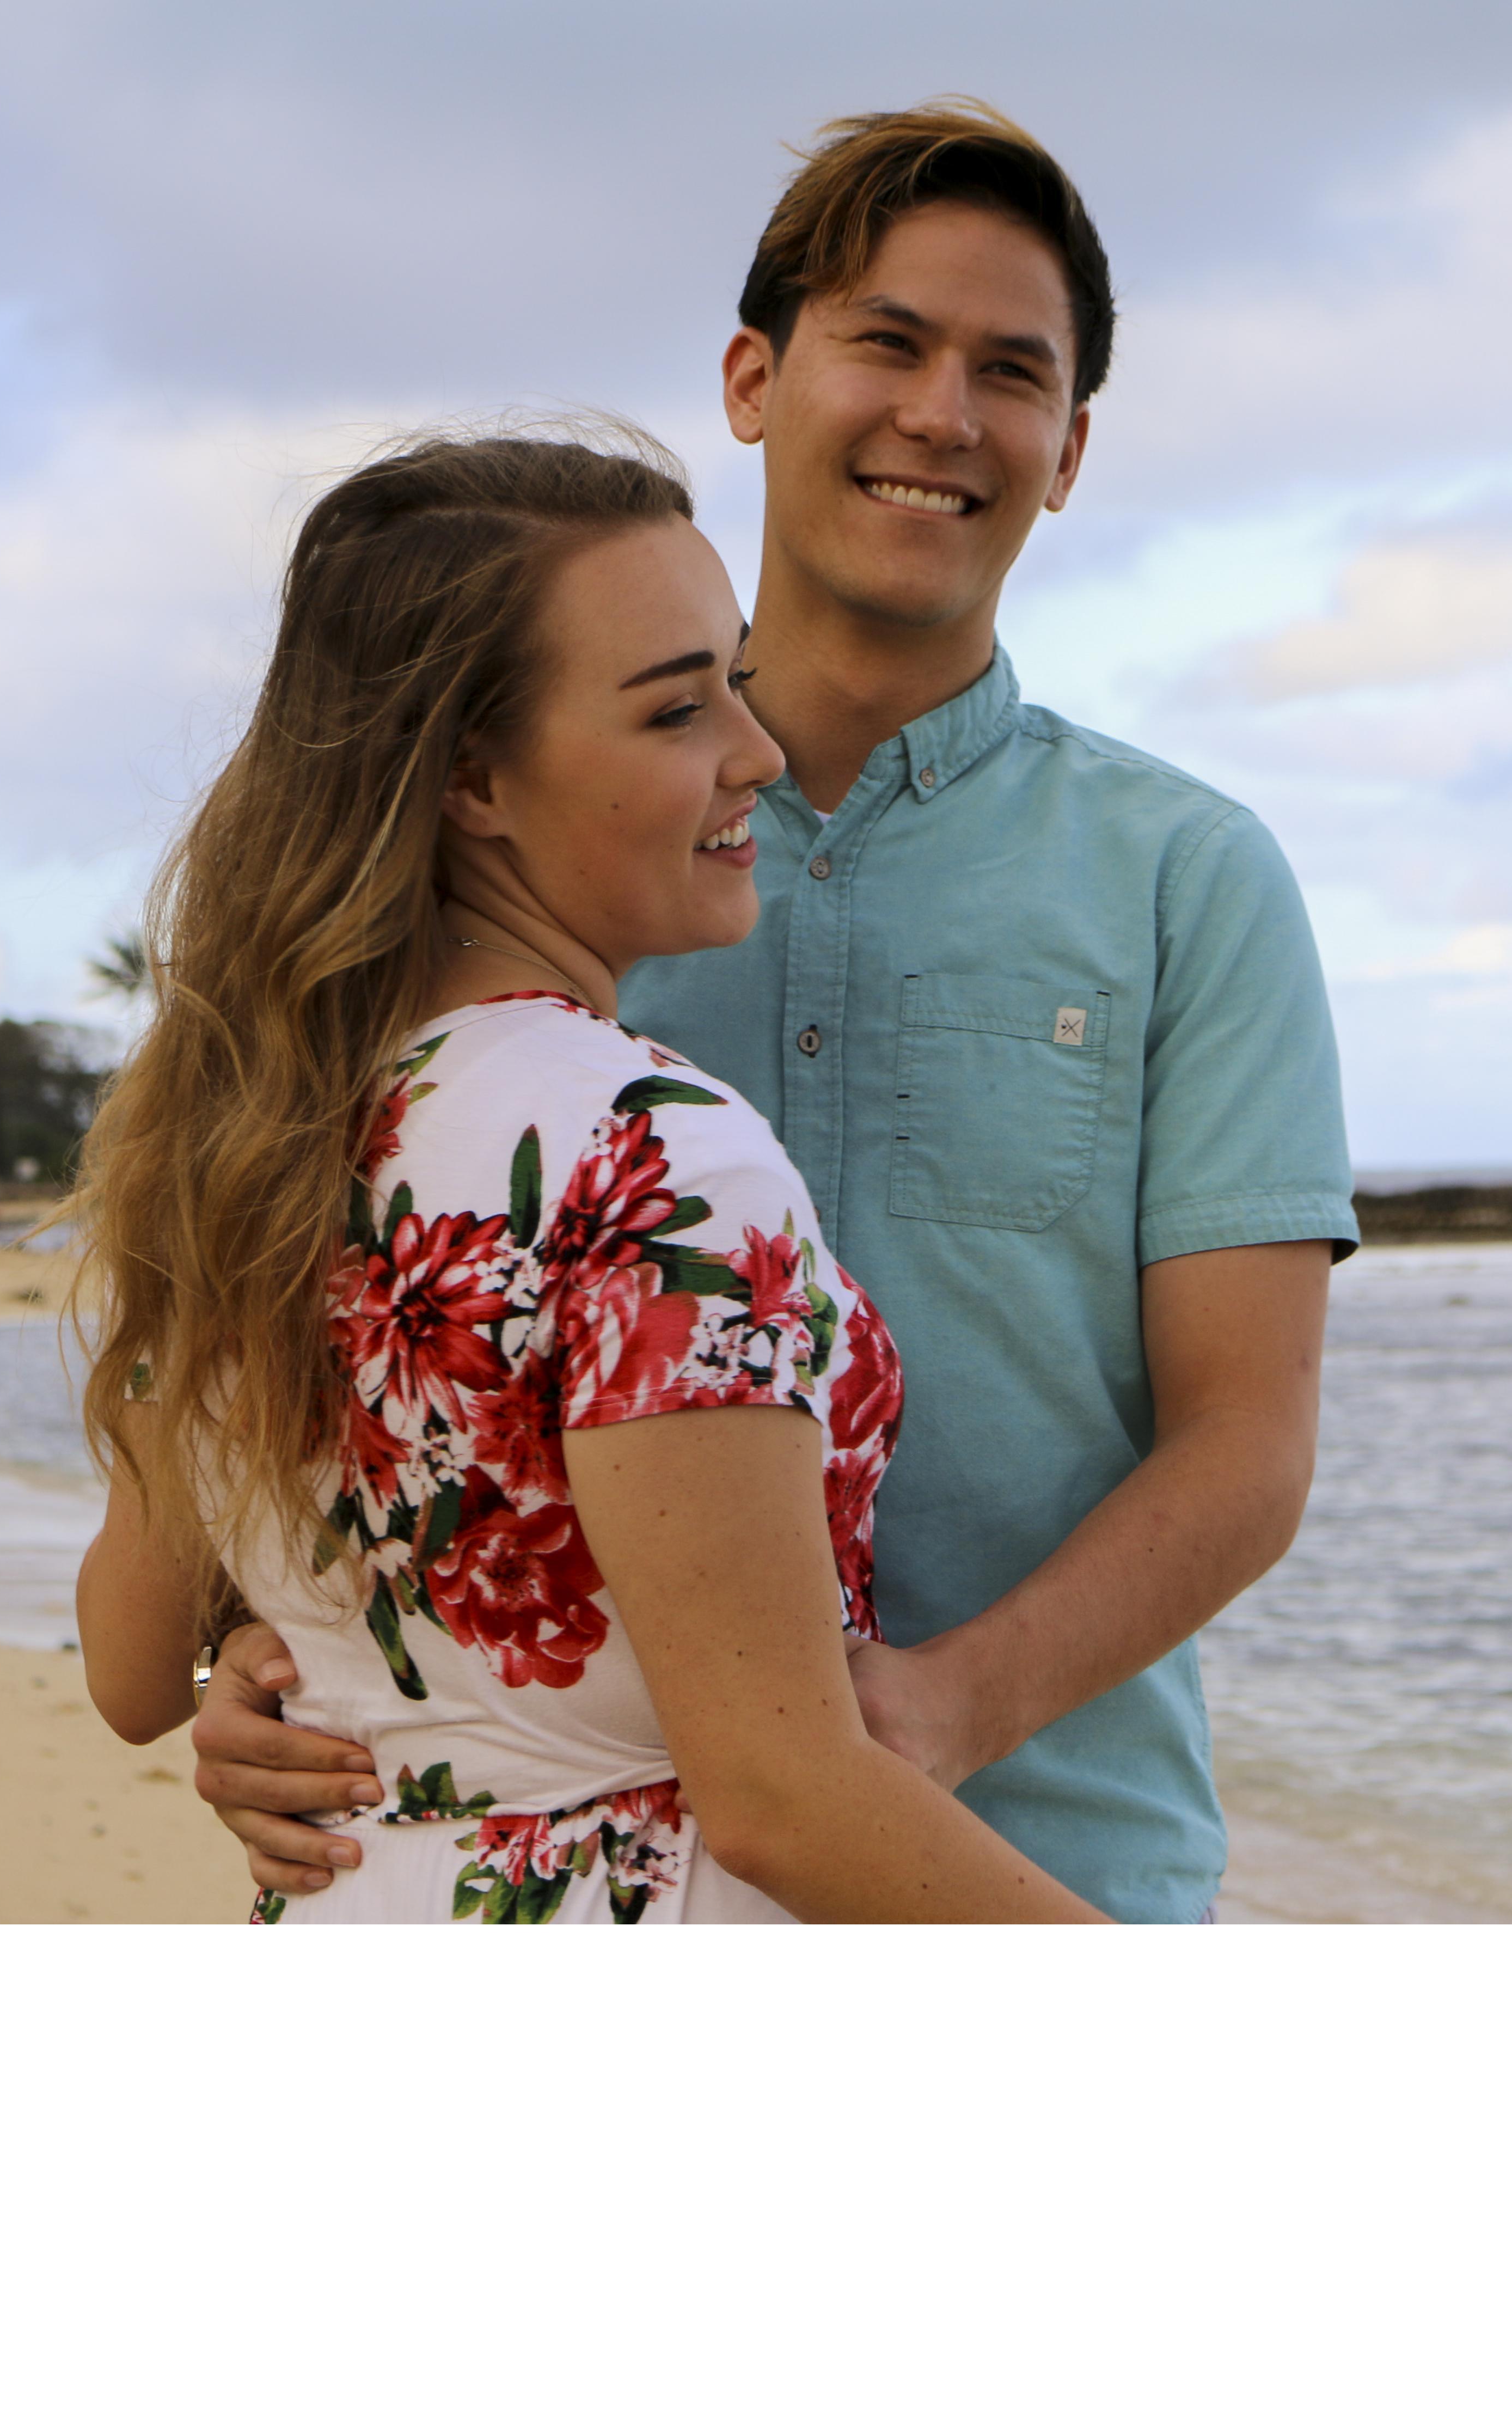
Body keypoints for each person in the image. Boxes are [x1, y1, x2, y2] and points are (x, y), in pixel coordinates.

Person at [196, 102, 1357, 1923]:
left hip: (1055, 1861)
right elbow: (277, 1285)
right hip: (584, 1869)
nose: (943, 415)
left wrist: (950, 1707)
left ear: (1068, 452)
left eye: (1013, 374)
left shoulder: (1187, 878)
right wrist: (270, 1648)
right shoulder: (536, 837)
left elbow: (1249, 1445)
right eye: (888, 342)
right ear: (754, 378)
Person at [71, 426, 1099, 1924]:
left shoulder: (246, 1134)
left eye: (735, 684)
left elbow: (128, 1668)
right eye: (678, 710)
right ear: (472, 779)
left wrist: (303, 1662)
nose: (757, 754)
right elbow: (783, 1798)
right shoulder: (652, 1155)